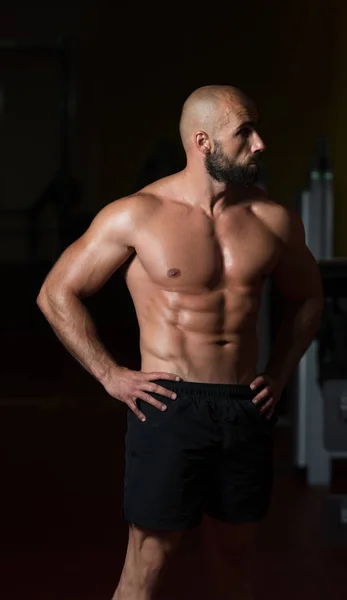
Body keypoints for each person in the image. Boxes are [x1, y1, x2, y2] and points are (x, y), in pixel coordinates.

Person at [37, 85, 324, 600]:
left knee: (235, 562)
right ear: (203, 142)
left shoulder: (272, 219)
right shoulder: (137, 215)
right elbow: (57, 293)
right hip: (171, 405)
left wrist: (279, 373)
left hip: (243, 407)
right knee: (148, 565)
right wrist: (110, 374)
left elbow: (308, 299)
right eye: (244, 133)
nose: (260, 143)